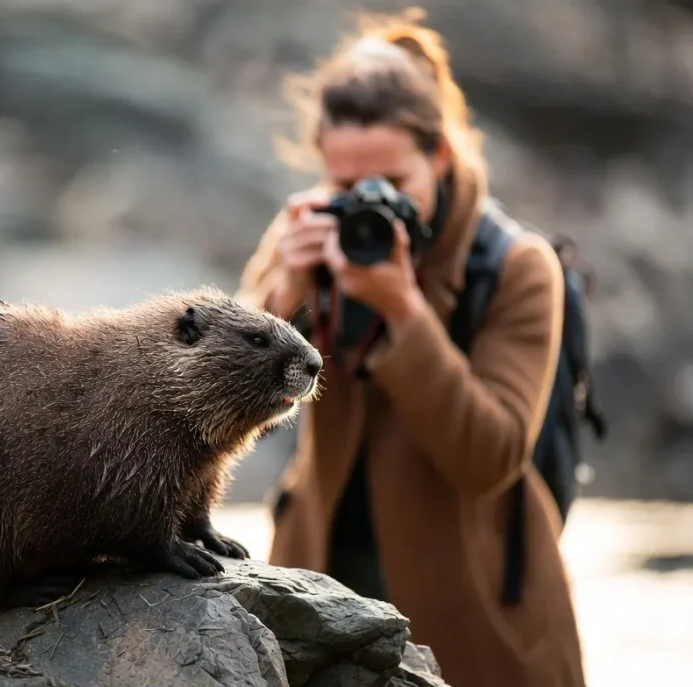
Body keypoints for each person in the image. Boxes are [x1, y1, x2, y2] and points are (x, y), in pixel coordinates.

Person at [235, 9, 585, 687]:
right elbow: (225, 416)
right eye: (345, 186)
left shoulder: (515, 266)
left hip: (480, 617)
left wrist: (405, 310)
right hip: (318, 581)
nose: (369, 202)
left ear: (441, 156)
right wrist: (287, 295)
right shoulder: (304, 236)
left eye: (394, 185)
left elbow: (490, 457)